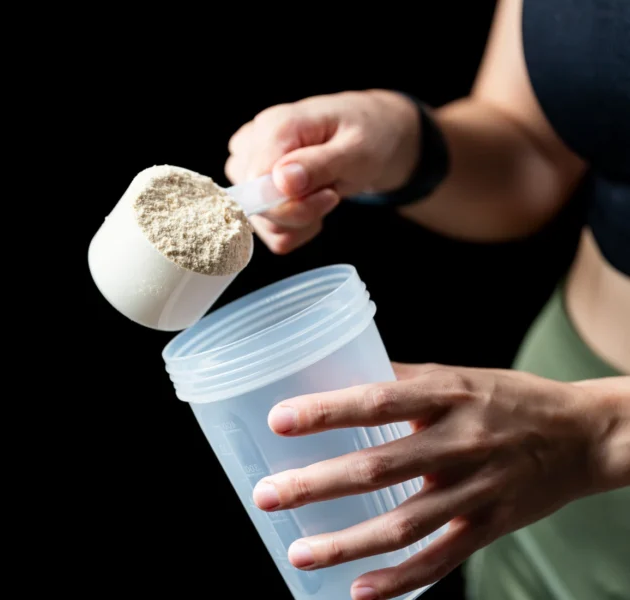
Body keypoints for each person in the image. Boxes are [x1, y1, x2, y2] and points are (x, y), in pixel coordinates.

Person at [224, 0, 629, 599]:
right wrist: (406, 145)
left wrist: (602, 433)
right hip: (551, 420)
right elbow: (534, 149)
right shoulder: (545, 441)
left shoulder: (576, 439)